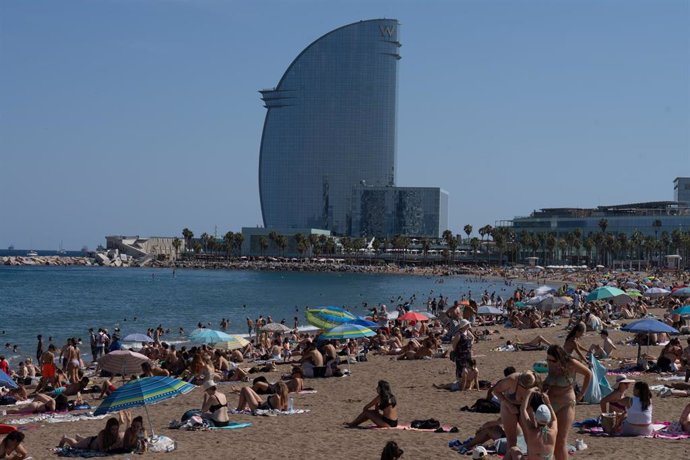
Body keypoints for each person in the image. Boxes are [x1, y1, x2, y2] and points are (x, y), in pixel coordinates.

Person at [543, 345, 591, 460]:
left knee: (560, 441)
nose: (550, 362)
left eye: (552, 360)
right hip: (550, 405)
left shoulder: (571, 363)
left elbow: (588, 374)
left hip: (566, 404)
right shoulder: (551, 364)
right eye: (548, 359)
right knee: (549, 440)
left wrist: (581, 394)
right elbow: (548, 382)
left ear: (560, 357)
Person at [492, 371, 540, 451]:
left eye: (528, 387)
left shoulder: (537, 381)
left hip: (526, 408)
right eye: (524, 387)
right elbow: (496, 390)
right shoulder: (512, 379)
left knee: (531, 438)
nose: (526, 389)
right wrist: (508, 405)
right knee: (511, 441)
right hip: (509, 407)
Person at [506, 389, 557, 460]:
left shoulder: (531, 431)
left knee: (514, 449)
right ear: (549, 418)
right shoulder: (553, 432)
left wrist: (528, 394)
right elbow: (554, 420)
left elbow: (523, 409)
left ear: (535, 418)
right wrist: (547, 402)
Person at [451, 319, 474, 386]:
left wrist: (471, 345)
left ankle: (466, 381)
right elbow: (454, 345)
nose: (468, 325)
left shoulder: (467, 331)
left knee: (468, 366)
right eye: (467, 324)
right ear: (463, 325)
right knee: (460, 367)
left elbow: (472, 337)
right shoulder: (459, 333)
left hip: (468, 353)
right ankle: (459, 381)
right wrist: (456, 352)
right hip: (460, 354)